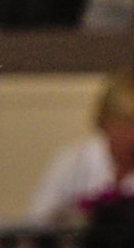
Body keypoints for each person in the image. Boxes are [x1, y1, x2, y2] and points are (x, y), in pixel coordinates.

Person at [26, 65, 134, 226]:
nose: (132, 136)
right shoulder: (74, 161)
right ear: (103, 122)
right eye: (125, 125)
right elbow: (38, 223)